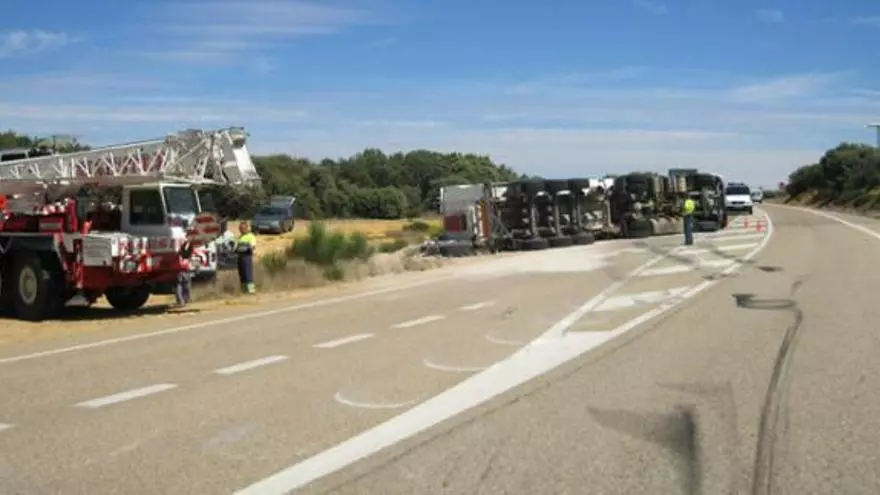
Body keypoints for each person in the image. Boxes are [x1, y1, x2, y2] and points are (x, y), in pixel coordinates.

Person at [236, 221, 257, 294]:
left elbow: (253, 246)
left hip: (247, 256)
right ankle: (244, 291)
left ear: (247, 228)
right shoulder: (240, 237)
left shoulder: (251, 236)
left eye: (243, 228)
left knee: (248, 274)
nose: (241, 230)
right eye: (240, 228)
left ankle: (251, 291)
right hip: (240, 257)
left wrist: (245, 247)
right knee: (242, 275)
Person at [176, 240, 194, 306]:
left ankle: (181, 301)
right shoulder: (187, 255)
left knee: (180, 286)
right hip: (185, 271)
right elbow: (189, 250)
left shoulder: (180, 255)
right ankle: (185, 300)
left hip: (180, 271)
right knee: (186, 286)